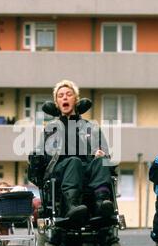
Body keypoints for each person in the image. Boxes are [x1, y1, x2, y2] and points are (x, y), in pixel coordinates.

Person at [29, 79, 114, 224]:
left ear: (75, 100)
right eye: (60, 95)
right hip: (61, 171)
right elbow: (40, 153)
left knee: (101, 161)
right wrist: (36, 158)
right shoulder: (51, 129)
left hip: (87, 169)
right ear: (57, 103)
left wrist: (102, 154)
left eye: (69, 94)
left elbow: (106, 154)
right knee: (74, 161)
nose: (65, 97)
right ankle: (72, 205)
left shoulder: (91, 127)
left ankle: (102, 203)